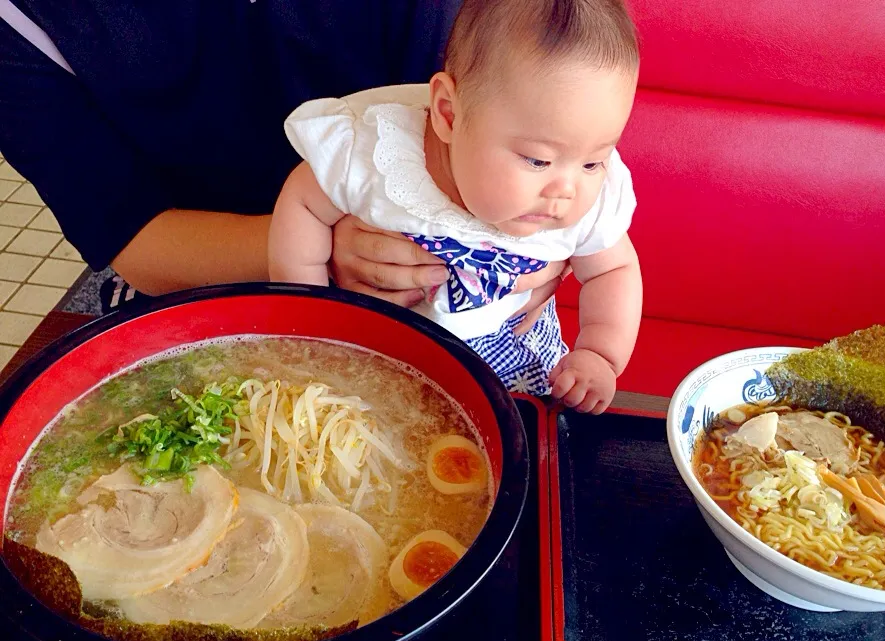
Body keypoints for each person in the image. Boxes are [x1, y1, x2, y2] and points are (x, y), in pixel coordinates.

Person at [0, 0, 564, 316]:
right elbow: (130, 234)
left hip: (439, 263)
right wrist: (319, 249)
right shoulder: (21, 22)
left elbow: (528, 113)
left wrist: (547, 245)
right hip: (209, 281)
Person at [268, 0, 643, 413]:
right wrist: (307, 314)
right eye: (537, 160)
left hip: (512, 350)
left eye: (593, 161)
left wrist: (599, 354)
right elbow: (302, 202)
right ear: (448, 113)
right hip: (377, 338)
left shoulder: (589, 194)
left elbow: (614, 269)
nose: (567, 190)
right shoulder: (380, 156)